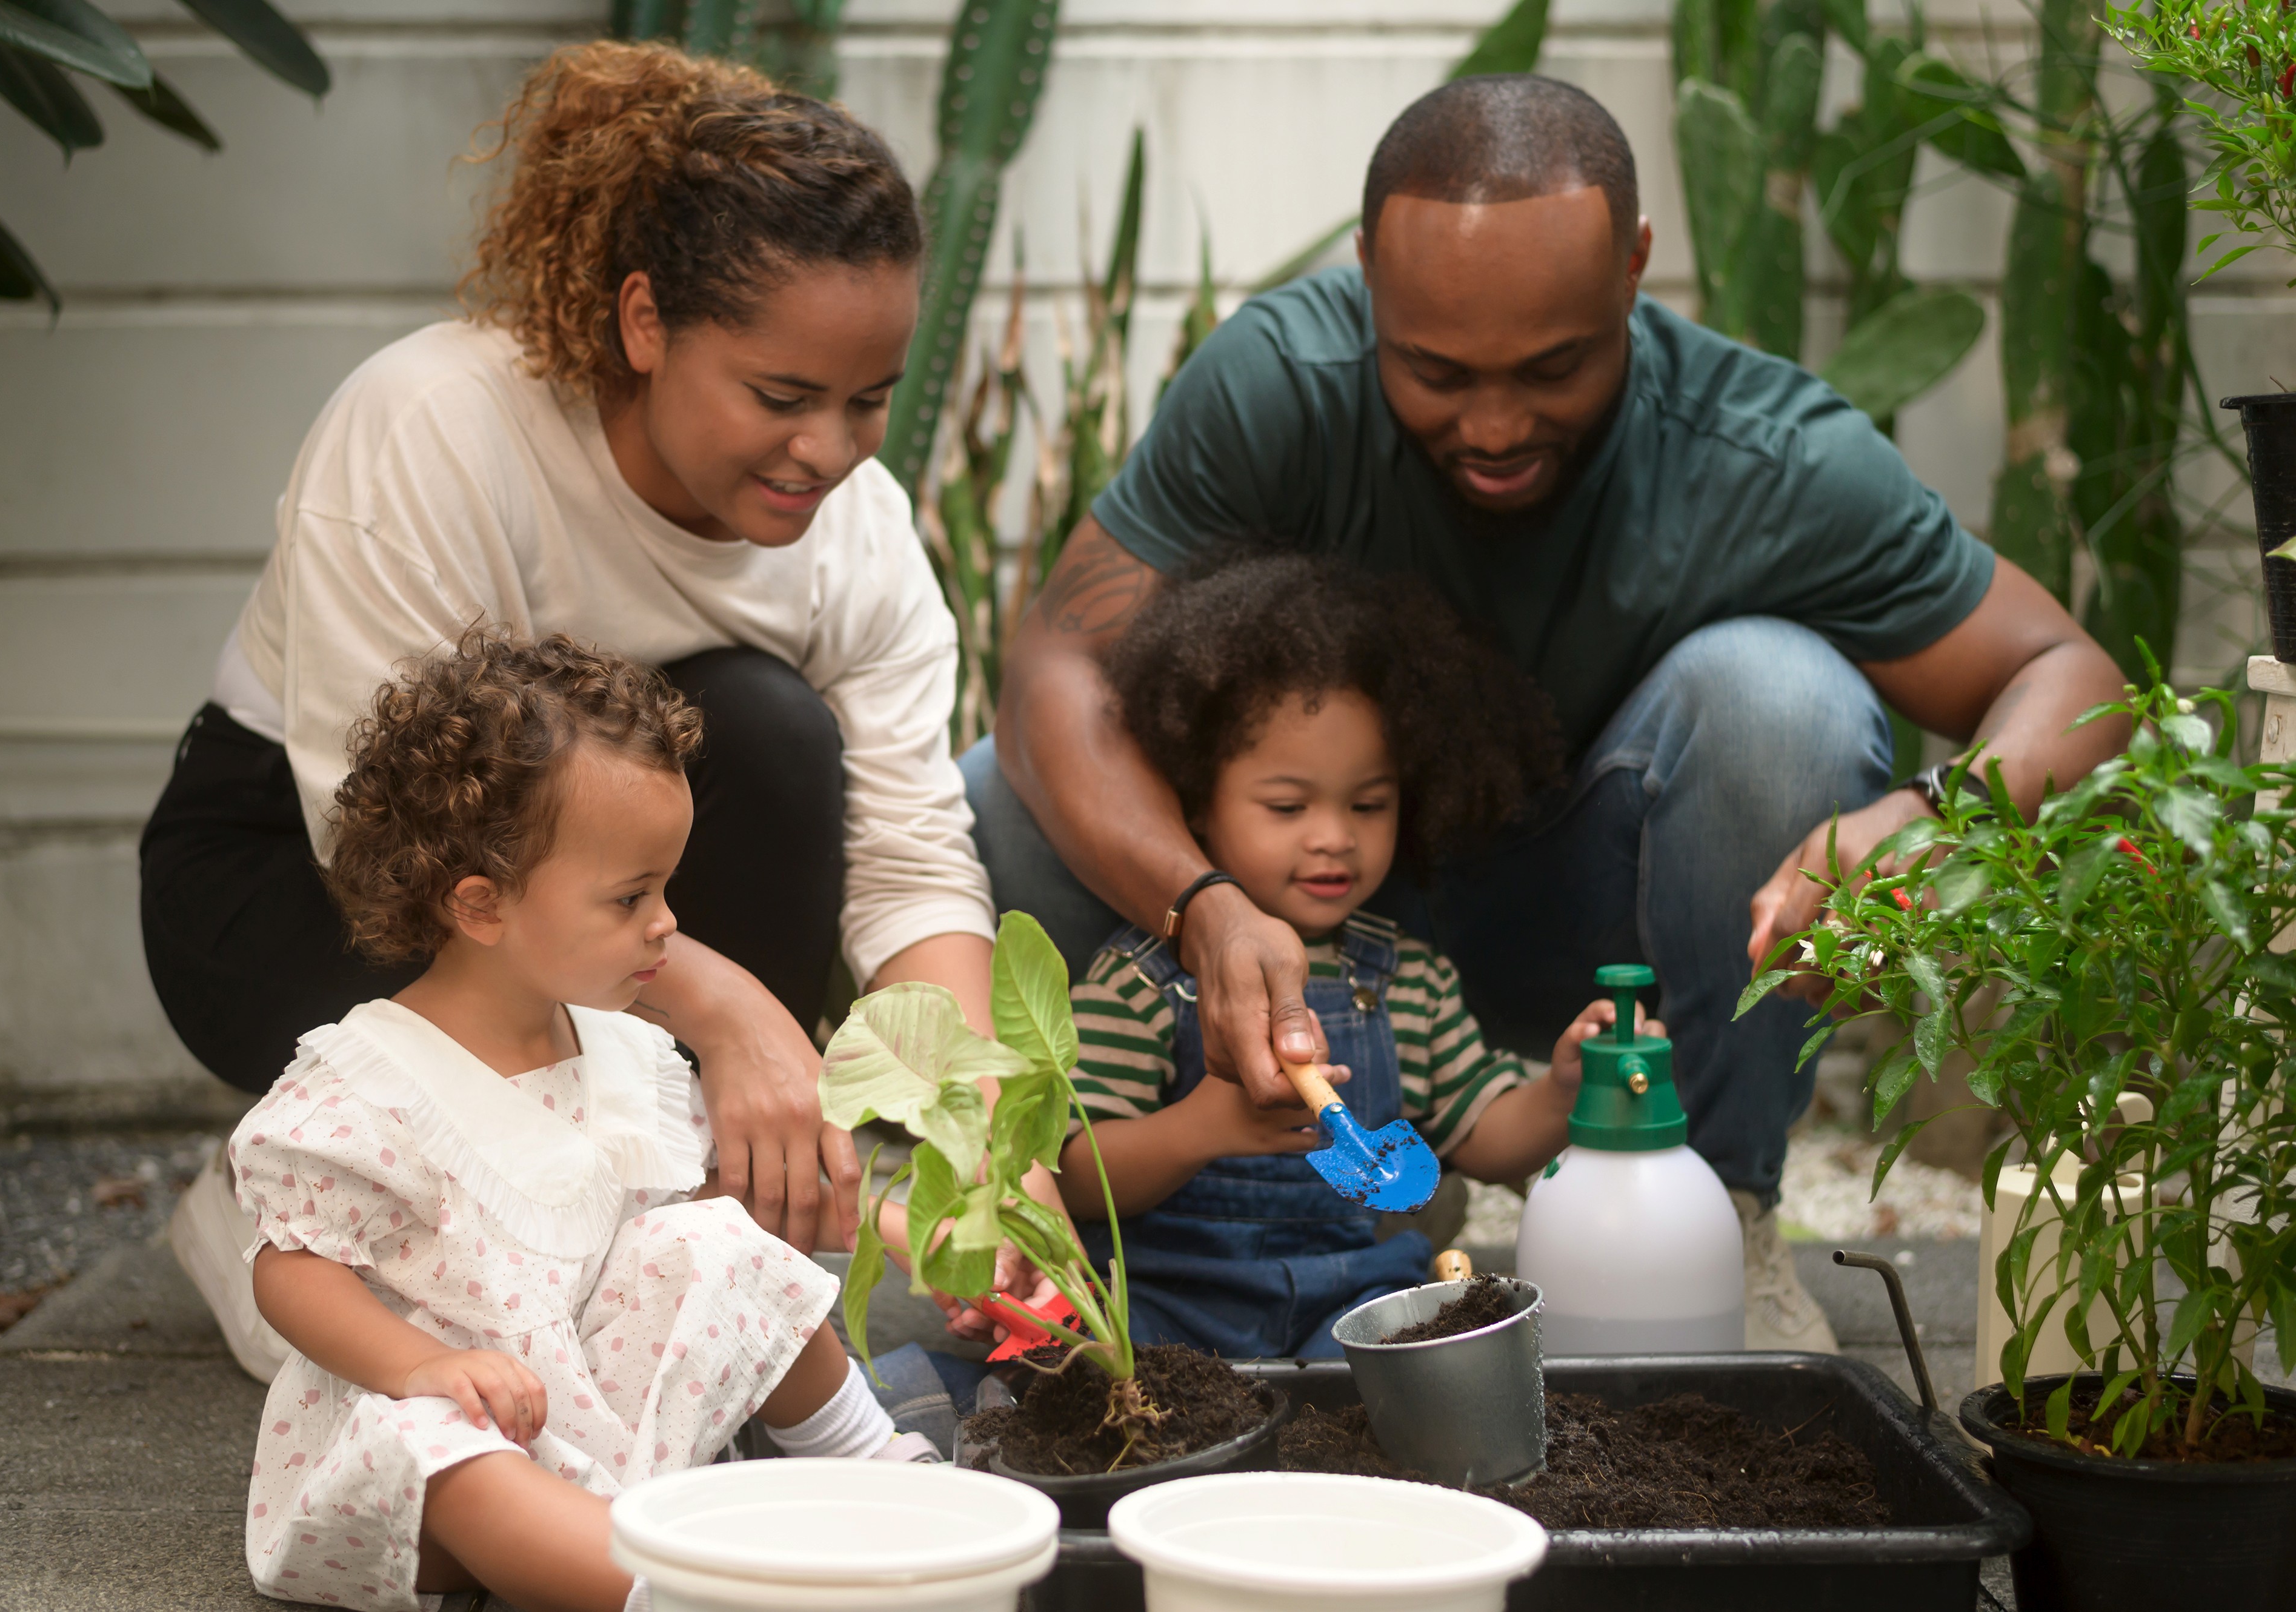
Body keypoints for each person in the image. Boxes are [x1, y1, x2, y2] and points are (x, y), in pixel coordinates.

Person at [971, 75, 2132, 1352]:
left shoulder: (1762, 453)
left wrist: (1922, 820)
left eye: (1552, 366)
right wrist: (1198, 901)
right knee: (995, 791)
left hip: (1597, 926)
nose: (1494, 424)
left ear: (1634, 267)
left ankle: (1715, 1209)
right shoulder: (1282, 383)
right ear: (1367, 274)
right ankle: (1070, 1222)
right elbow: (1052, 675)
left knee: (1779, 698)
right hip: (1272, 937)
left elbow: (2071, 679)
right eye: (1431, 368)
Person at [142, 44, 999, 1295]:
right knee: (466, 1294)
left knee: (767, 730)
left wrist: (978, 1119)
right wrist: (730, 1010)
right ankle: (274, 1198)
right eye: (779, 392)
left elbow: (907, 858)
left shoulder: (859, 538)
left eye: (869, 399)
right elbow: (397, 841)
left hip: (611, 889)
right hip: (316, 874)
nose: (827, 449)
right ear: (645, 321)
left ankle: (666, 1202)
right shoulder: (436, 429)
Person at [233, 634, 931, 1612]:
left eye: (666, 890)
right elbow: (290, 1268)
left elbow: (701, 1213)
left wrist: (906, 1235)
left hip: (589, 1410)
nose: (667, 926)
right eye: (631, 897)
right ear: (481, 905)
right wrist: (423, 1365)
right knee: (443, 1455)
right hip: (444, 1429)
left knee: (716, 1240)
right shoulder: (373, 1081)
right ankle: (662, 1588)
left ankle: (873, 1467)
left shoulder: (622, 1048)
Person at [1058, 555, 1656, 1356]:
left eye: (1368, 803)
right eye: (1288, 804)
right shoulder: (1141, 978)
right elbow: (1077, 1176)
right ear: (1198, 801)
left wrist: (1559, 1090)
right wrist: (1201, 1127)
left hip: (1351, 1294)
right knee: (1089, 1356)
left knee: (1424, 1353)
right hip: (1173, 1301)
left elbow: (1483, 1135)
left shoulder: (1409, 979)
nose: (1334, 834)